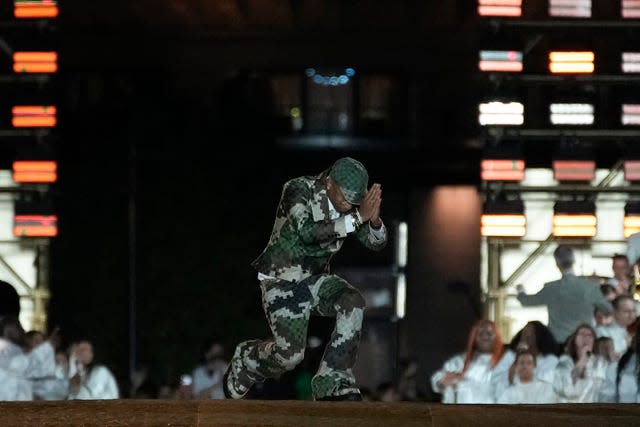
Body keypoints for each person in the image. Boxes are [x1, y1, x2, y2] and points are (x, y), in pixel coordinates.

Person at [223, 157, 387, 402]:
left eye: (353, 202)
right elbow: (307, 232)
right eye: (343, 199)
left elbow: (376, 244)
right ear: (329, 183)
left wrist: (373, 220)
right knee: (290, 356)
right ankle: (248, 359)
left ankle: (332, 380)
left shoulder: (352, 205)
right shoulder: (298, 189)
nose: (346, 206)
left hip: (317, 281)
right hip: (282, 280)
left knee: (352, 301)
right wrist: (355, 219)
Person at [516, 245, 613, 344]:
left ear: (557, 263)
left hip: (558, 342)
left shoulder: (551, 288)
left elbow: (527, 302)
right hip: (584, 342)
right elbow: (608, 309)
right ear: (574, 260)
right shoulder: (589, 286)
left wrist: (521, 292)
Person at [430, 319, 504, 404]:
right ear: (474, 338)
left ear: (497, 336)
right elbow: (437, 379)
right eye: (480, 334)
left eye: (489, 333)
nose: (485, 337)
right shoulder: (460, 361)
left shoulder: (507, 361)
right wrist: (443, 381)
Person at [553, 324, 606, 403]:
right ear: (574, 339)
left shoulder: (599, 362)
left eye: (589, 335)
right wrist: (582, 360)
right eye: (581, 334)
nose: (585, 338)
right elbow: (566, 389)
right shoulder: (564, 362)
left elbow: (598, 387)